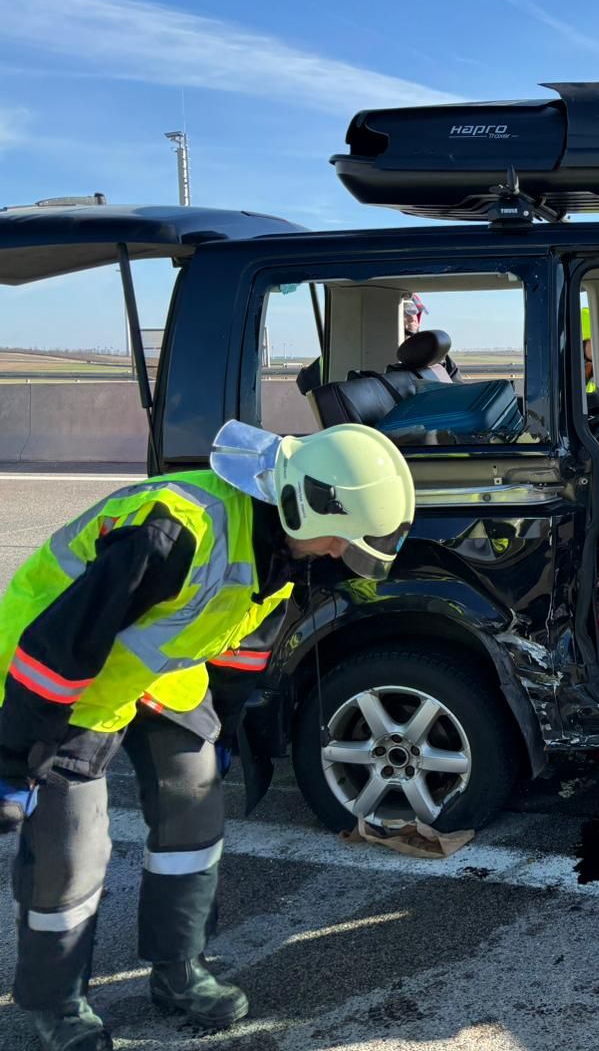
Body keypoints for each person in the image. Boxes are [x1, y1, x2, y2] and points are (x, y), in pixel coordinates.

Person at [0, 421, 414, 1051]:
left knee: (194, 812)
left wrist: (221, 730)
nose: (340, 554)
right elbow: (63, 646)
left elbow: (243, 650)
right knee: (70, 850)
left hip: (159, 674)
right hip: (56, 680)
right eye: (340, 538)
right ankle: (57, 1003)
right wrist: (14, 759)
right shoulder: (174, 530)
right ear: (304, 504)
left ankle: (179, 969)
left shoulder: (285, 551)